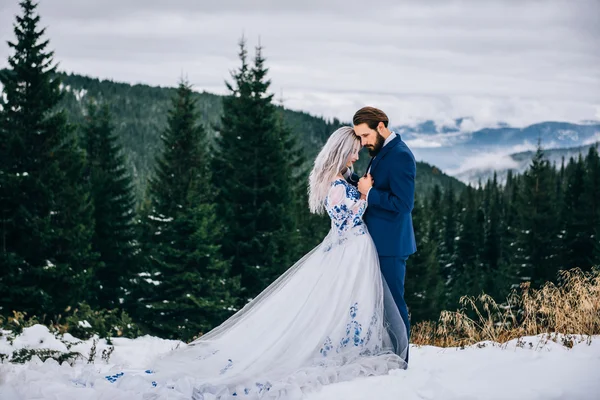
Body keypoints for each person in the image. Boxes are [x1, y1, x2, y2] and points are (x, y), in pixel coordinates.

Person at [77, 126, 407, 400]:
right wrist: (364, 194)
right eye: (352, 150)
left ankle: (355, 342)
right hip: (350, 250)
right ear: (341, 152)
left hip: (353, 252)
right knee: (343, 303)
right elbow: (347, 217)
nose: (356, 155)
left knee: (353, 304)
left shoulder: (339, 179)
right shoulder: (336, 186)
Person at [343, 106, 417, 364]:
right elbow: (371, 186)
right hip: (377, 242)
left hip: (391, 245)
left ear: (381, 126)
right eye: (360, 138)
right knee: (379, 304)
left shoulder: (400, 156)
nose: (363, 143)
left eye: (365, 136)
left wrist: (370, 193)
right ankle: (387, 356)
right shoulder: (383, 151)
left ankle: (401, 361)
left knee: (394, 305)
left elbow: (404, 204)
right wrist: (349, 181)